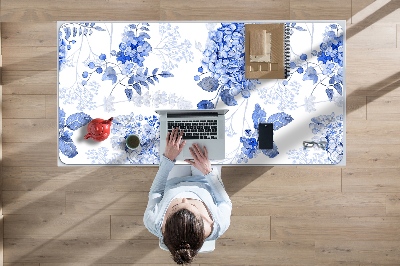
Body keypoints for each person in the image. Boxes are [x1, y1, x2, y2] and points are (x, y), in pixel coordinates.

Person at [144, 127, 232, 264]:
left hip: (173, 181)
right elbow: (224, 202)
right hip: (205, 180)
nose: (184, 198)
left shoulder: (153, 222)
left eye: (176, 206)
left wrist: (168, 159)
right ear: (204, 222)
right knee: (208, 137)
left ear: (165, 224)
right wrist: (208, 171)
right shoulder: (220, 224)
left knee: (172, 143)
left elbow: (156, 192)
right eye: (192, 205)